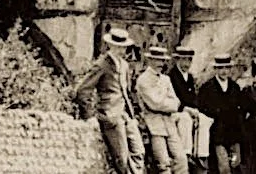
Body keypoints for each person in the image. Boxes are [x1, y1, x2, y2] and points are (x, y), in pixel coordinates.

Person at [73, 27, 147, 174]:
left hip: (125, 115)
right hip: (110, 116)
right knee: (123, 159)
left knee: (139, 151)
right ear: (110, 45)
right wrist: (90, 116)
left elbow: (126, 92)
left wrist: (132, 115)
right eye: (118, 47)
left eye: (124, 47)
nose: (121, 51)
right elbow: (82, 90)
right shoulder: (102, 65)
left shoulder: (125, 65)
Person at [136, 46, 189, 174]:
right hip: (154, 126)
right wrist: (166, 103)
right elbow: (155, 103)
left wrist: (165, 103)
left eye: (162, 61)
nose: (161, 64)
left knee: (181, 160)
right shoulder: (143, 80)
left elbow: (176, 102)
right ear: (150, 60)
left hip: (169, 125)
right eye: (157, 60)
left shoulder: (166, 79)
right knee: (163, 164)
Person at [195, 54, 246, 174]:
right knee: (223, 167)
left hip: (234, 133)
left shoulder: (235, 87)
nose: (224, 71)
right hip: (217, 134)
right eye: (221, 68)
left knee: (235, 164)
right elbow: (202, 109)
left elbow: (240, 109)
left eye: (226, 68)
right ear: (216, 69)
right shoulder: (207, 88)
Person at [167, 47, 202, 169]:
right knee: (185, 119)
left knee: (204, 119)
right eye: (184, 60)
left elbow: (193, 97)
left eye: (189, 61)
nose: (187, 64)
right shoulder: (171, 76)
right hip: (176, 111)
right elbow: (172, 98)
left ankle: (200, 154)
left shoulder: (190, 77)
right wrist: (185, 108)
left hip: (189, 109)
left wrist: (195, 109)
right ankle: (185, 153)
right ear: (178, 60)